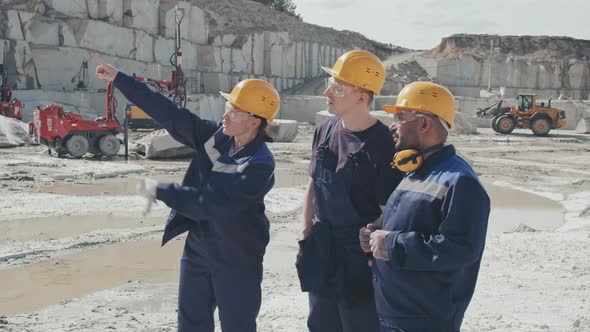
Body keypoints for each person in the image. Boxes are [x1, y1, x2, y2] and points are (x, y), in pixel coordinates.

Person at [94, 55, 280, 332]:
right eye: (228, 107)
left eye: (234, 111)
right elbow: (170, 114)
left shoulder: (260, 164)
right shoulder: (214, 135)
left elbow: (212, 205)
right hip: (199, 248)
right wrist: (121, 79)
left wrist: (163, 190)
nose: (225, 115)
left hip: (238, 255)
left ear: (254, 122)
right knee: (191, 323)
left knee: (237, 325)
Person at [364, 81, 491, 332]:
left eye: (400, 117)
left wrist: (390, 244)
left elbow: (460, 250)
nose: (393, 125)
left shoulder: (460, 182)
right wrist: (374, 237)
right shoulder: (414, 172)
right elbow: (408, 228)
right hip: (394, 315)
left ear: (424, 123)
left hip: (425, 320)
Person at [295, 50, 402, 332]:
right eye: (328, 84)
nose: (328, 93)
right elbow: (312, 184)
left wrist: (374, 251)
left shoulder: (382, 145)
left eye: (338, 88)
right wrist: (305, 233)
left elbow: (387, 212)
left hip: (357, 260)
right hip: (321, 247)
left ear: (361, 97)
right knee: (320, 323)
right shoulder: (325, 130)